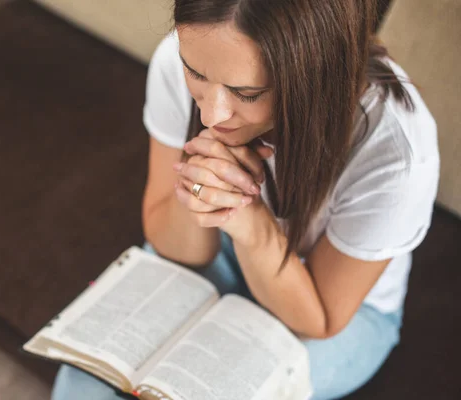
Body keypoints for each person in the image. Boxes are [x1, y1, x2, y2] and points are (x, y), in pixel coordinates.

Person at [52, 0, 439, 399]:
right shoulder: (182, 56)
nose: (211, 115)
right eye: (196, 73)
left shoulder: (395, 153)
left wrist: (252, 224)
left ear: (315, 71)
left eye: (247, 93)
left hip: (335, 310)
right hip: (225, 251)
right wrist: (202, 180)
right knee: (87, 380)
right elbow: (174, 247)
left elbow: (318, 320)